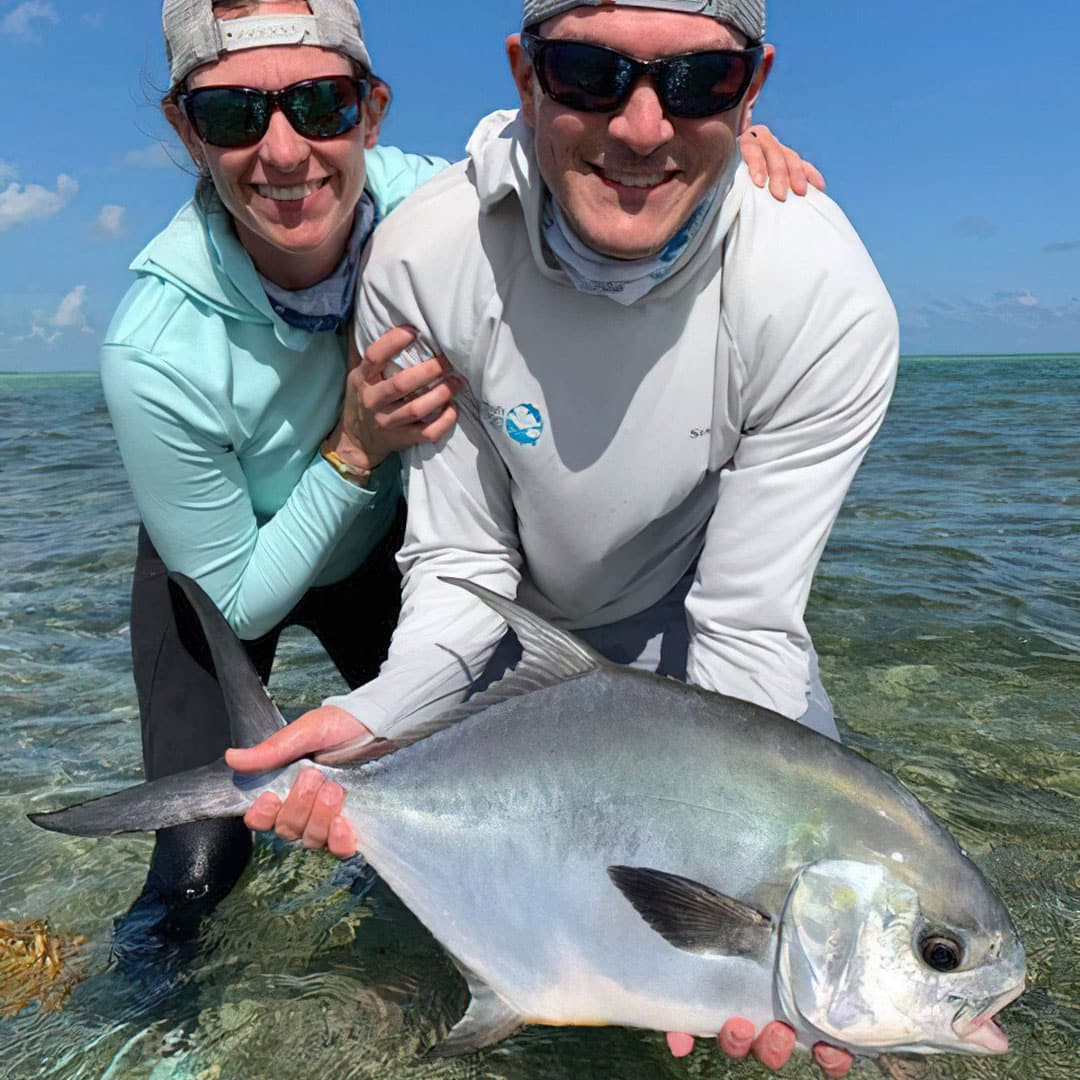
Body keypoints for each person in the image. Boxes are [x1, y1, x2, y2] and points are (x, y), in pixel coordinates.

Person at [230, 0, 898, 1074]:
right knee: (394, 903)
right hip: (507, 640)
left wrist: (736, 900)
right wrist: (373, 720)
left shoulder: (822, 297)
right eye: (589, 71)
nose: (641, 129)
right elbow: (461, 563)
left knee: (816, 979)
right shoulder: (428, 252)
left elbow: (744, 620)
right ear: (524, 72)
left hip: (698, 642)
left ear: (755, 86)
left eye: (697, 85)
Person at [100, 0, 815, 960]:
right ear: (187, 131)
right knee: (195, 874)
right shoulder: (150, 350)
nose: (283, 153)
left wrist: (712, 142)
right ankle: (137, 1042)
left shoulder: (434, 208)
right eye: (232, 115)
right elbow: (242, 598)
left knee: (466, 804)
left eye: (322, 104)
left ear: (374, 111)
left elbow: (563, 157)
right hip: (226, 563)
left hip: (388, 549)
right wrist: (352, 450)